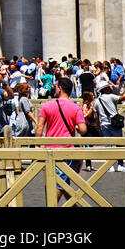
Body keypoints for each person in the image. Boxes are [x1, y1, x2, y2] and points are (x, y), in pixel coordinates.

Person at [36, 76, 88, 204]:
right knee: (61, 180)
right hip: (67, 149)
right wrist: (74, 124)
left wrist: (37, 145)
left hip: (50, 148)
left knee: (58, 182)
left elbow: (39, 126)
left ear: (60, 88)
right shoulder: (76, 108)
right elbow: (83, 130)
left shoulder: (47, 105)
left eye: (56, 86)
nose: (54, 88)